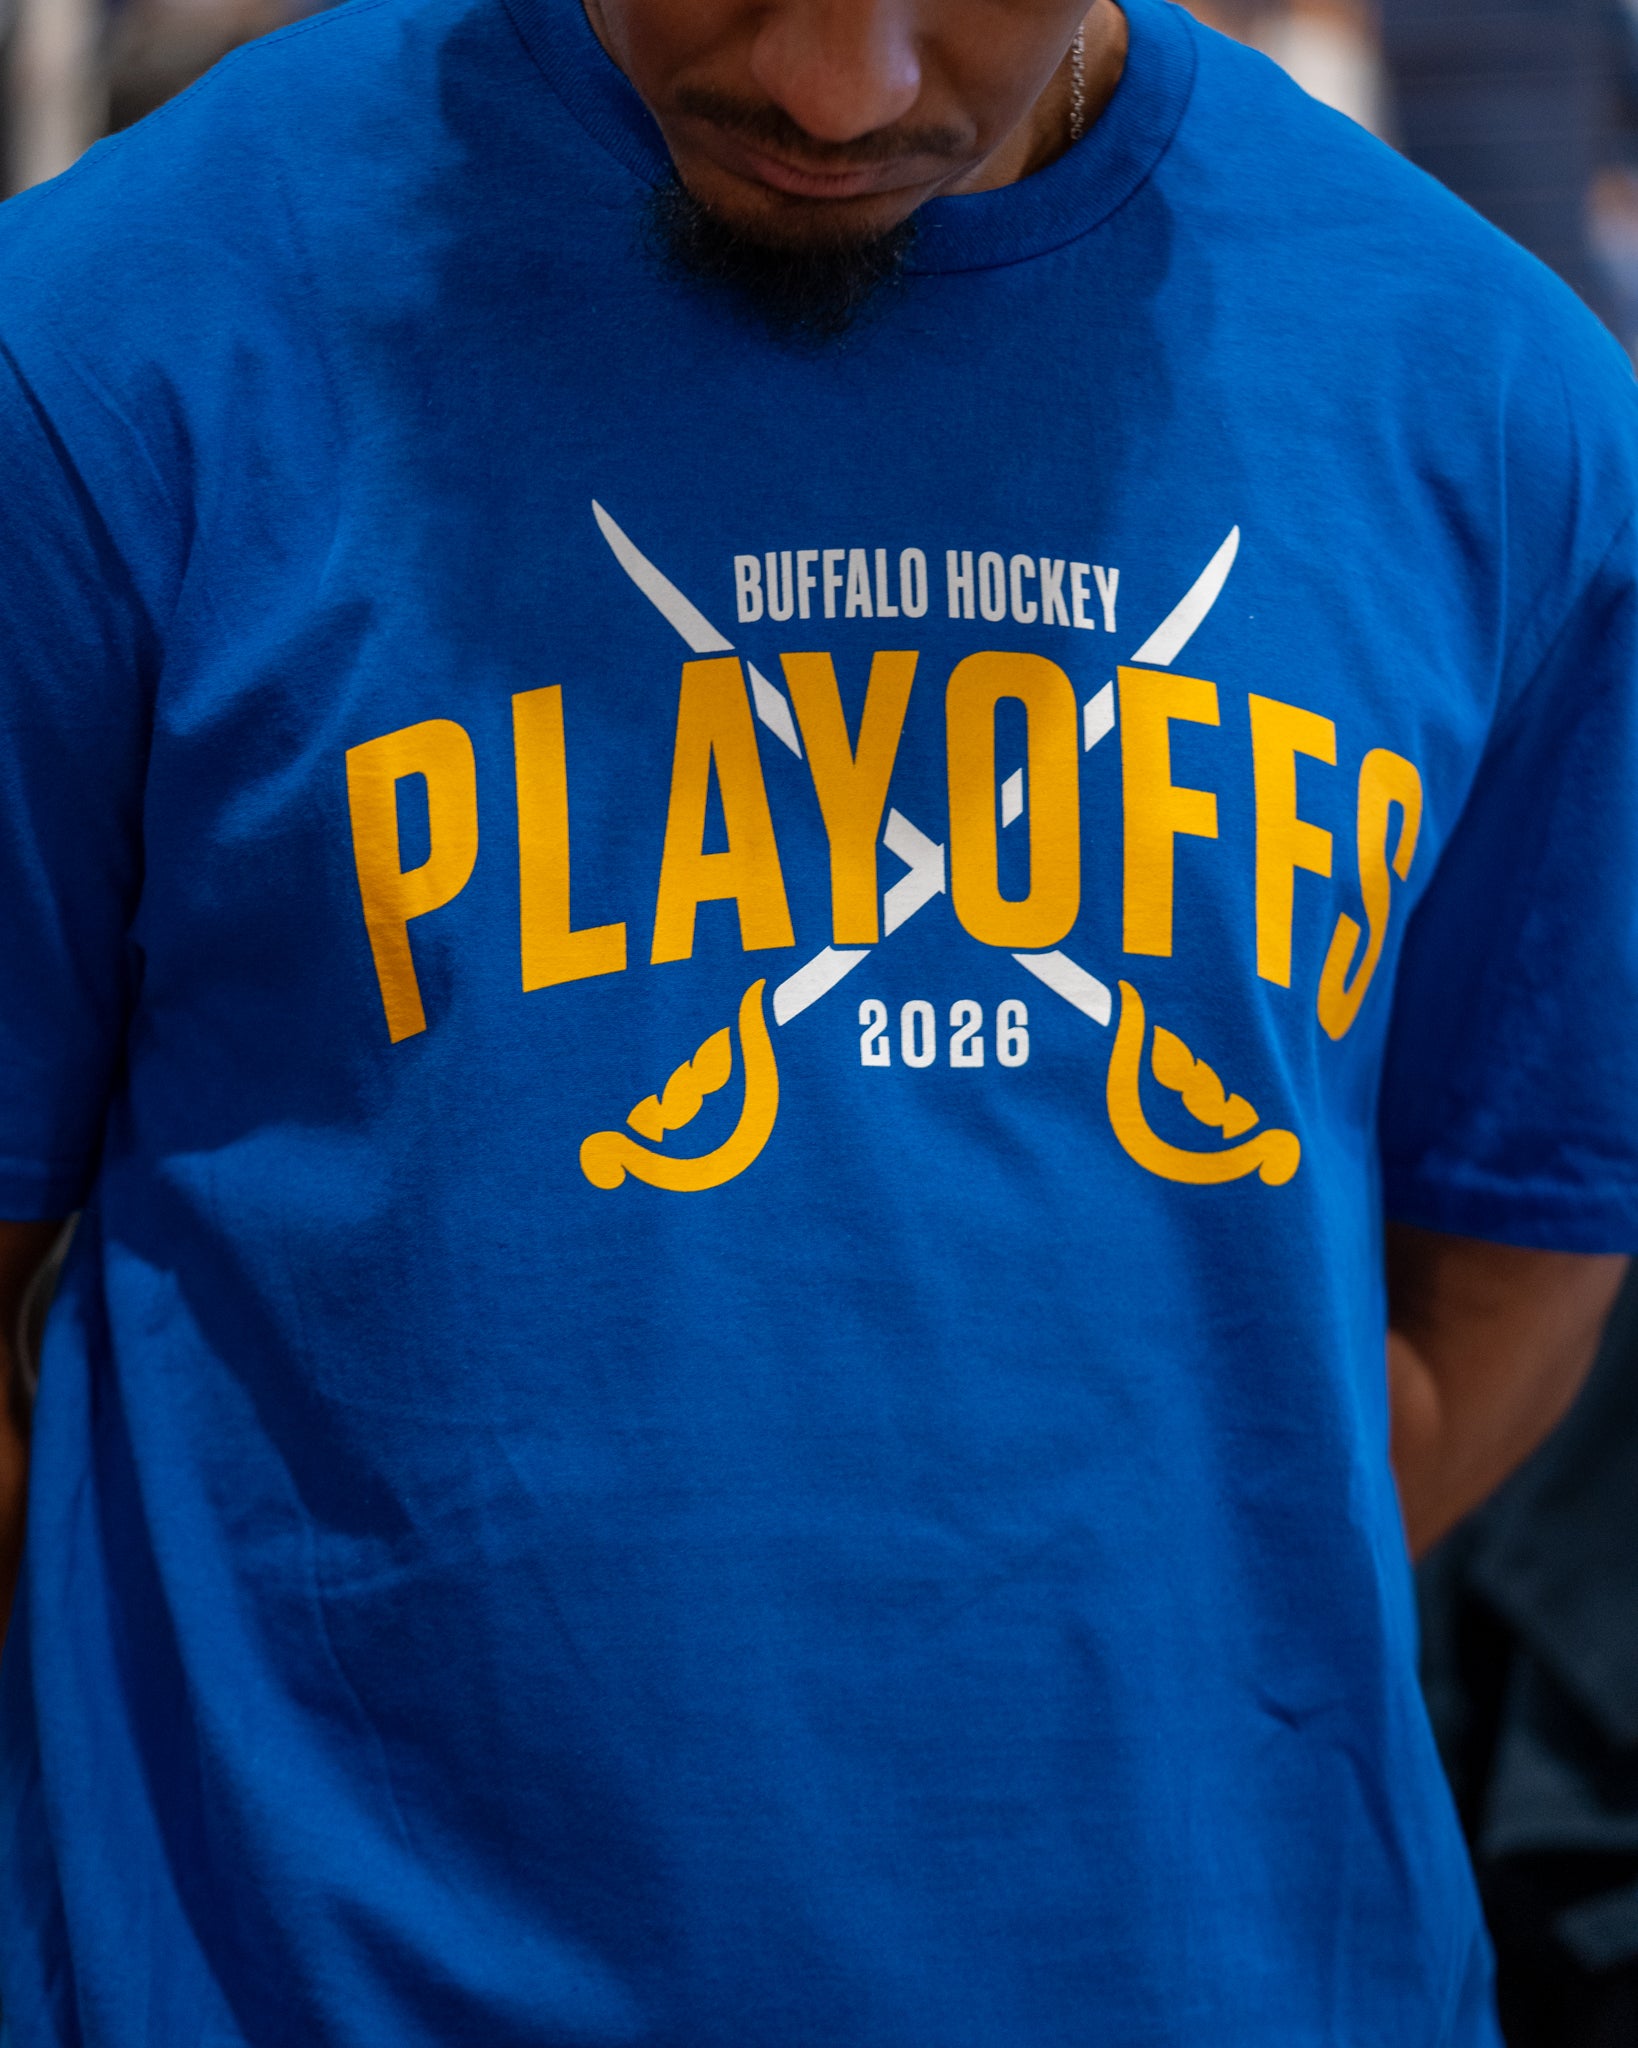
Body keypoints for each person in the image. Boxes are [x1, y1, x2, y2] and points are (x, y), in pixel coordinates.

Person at [0, 0, 1633, 2039]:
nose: (837, 89)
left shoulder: (1500, 408)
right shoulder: (114, 345)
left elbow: (1509, 1277)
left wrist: (1154, 1593)